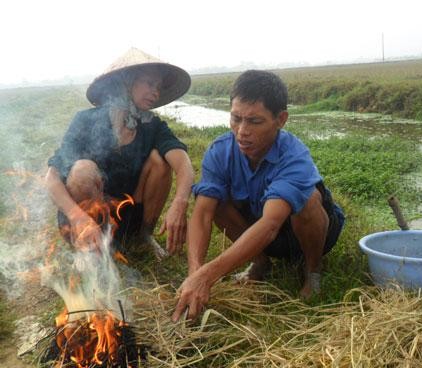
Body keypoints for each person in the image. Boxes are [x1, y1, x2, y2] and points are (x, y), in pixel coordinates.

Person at [172, 70, 344, 321]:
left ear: (280, 119)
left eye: (255, 121)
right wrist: (195, 273)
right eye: (236, 118)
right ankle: (260, 263)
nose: (241, 131)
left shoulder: (294, 156)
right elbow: (202, 214)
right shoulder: (220, 152)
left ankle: (313, 270)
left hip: (306, 233)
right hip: (261, 236)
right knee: (212, 199)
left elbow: (271, 224)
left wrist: (208, 276)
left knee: (307, 200)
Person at [45, 48, 194, 258]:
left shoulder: (151, 125)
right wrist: (77, 216)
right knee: (82, 170)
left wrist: (180, 204)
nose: (156, 92)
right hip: (84, 221)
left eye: (159, 87)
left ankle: (142, 236)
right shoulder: (86, 120)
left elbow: (183, 164)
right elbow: (51, 178)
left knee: (158, 161)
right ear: (126, 82)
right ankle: (91, 250)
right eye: (150, 83)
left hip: (125, 217)